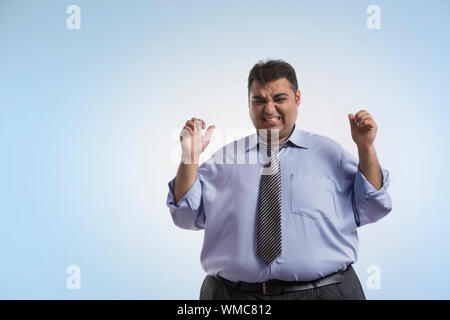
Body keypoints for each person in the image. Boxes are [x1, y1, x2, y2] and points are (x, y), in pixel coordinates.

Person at [166, 59, 392, 300]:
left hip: (326, 292)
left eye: (279, 99)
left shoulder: (329, 154)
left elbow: (373, 206)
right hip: (233, 297)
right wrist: (190, 156)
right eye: (259, 100)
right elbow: (185, 216)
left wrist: (366, 147)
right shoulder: (225, 160)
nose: (269, 109)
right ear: (249, 103)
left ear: (298, 98)